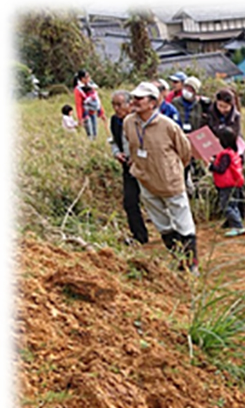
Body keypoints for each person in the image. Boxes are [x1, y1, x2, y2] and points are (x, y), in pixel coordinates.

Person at [123, 82, 198, 272]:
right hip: (146, 180)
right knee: (162, 224)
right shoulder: (129, 122)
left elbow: (185, 151)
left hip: (170, 182)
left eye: (140, 98)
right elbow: (130, 146)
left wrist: (172, 170)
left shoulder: (168, 125)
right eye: (134, 98)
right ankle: (178, 259)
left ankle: (192, 264)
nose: (135, 102)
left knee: (184, 224)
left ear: (153, 102)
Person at [108, 90, 149, 246]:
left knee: (154, 199)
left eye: (119, 104)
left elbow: (149, 143)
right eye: (114, 105)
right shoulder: (114, 121)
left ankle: (172, 232)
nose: (116, 108)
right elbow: (113, 141)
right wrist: (117, 153)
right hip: (128, 168)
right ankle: (139, 236)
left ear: (129, 104)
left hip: (145, 166)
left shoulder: (138, 120)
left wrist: (137, 157)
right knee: (130, 201)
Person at [208, 126, 245, 237]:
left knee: (226, 205)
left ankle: (238, 226)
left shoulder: (225, 154)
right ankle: (236, 223)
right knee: (233, 204)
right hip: (234, 183)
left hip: (227, 185)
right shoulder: (232, 152)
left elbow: (221, 169)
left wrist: (211, 166)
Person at [73, 70, 105, 140]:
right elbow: (78, 104)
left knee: (95, 132)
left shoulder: (91, 86)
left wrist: (101, 112)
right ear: (82, 78)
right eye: (87, 77)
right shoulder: (78, 90)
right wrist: (80, 118)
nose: (89, 78)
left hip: (93, 111)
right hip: (85, 113)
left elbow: (97, 100)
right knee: (90, 133)